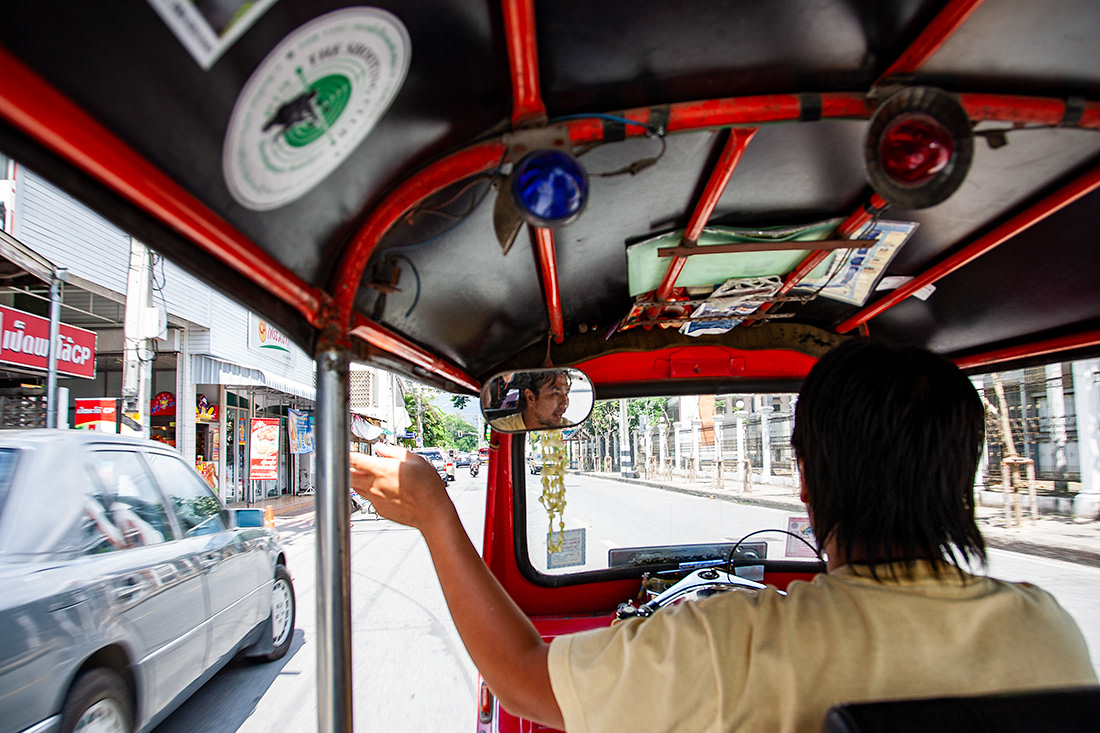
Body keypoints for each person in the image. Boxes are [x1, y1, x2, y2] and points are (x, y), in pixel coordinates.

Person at [349, 341, 1097, 732]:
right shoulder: (1046, 630)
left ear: (806, 482)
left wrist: (435, 513)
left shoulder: (734, 642)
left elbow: (522, 678)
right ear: (963, 477)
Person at [490, 370, 571, 432]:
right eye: (556, 394)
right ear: (530, 397)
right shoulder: (500, 428)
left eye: (566, 393)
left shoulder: (569, 427)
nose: (565, 403)